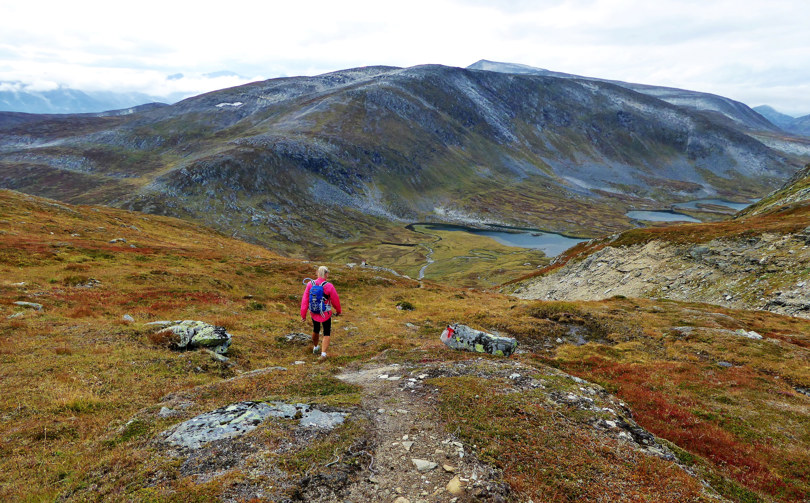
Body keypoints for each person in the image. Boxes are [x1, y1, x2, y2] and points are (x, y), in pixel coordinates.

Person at [301, 266, 341, 361]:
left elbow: (305, 300)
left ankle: (315, 347)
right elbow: (335, 300)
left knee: (316, 329)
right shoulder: (329, 286)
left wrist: (303, 314)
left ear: (317, 273)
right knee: (326, 332)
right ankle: (323, 354)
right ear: (326, 274)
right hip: (326, 313)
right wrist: (338, 310)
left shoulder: (310, 284)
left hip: (314, 312)